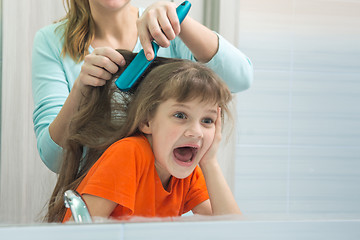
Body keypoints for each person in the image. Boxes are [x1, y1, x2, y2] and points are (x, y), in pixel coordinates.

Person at [32, 0, 253, 173]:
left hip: (172, 211)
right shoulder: (50, 41)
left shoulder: (169, 31)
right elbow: (55, 160)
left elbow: (241, 78)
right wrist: (81, 88)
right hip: (99, 208)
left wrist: (179, 22)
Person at [45, 50, 241, 222]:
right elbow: (79, 234)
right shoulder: (129, 154)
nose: (196, 132)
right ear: (147, 121)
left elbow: (233, 233)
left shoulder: (186, 172)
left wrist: (210, 162)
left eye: (207, 121)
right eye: (180, 115)